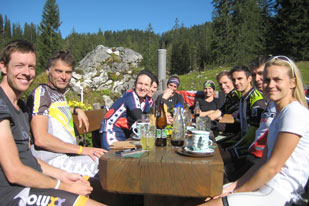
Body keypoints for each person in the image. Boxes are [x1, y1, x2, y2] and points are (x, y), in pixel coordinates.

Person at [0, 40, 105, 206]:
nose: (26, 73)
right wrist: (62, 184)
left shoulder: (20, 107)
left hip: (35, 177)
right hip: (13, 194)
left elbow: (27, 156)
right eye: (19, 65)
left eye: (31, 67)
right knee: (105, 172)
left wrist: (76, 109)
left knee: (108, 178)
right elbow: (15, 170)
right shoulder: (6, 104)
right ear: (3, 67)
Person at [204, 55, 309, 206]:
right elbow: (263, 161)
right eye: (266, 80)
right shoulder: (279, 112)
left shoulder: (294, 112)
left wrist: (236, 191)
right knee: (207, 194)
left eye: (277, 79)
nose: (269, 84)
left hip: (279, 190)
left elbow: (273, 166)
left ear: (292, 82)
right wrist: (235, 185)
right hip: (266, 183)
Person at [27, 51, 107, 177]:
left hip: (67, 156)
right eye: (59, 71)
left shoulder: (57, 95)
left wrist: (76, 110)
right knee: (106, 166)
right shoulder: (42, 93)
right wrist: (83, 150)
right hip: (51, 161)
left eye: (68, 72)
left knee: (110, 162)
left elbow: (55, 111)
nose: (64, 76)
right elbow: (40, 139)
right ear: (48, 71)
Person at [100, 70, 152, 150]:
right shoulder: (131, 96)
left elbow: (150, 117)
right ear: (135, 84)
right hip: (112, 132)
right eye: (140, 83)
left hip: (125, 135)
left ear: (150, 87)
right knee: (119, 159)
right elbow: (139, 116)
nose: (142, 88)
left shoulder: (145, 100)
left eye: (146, 85)